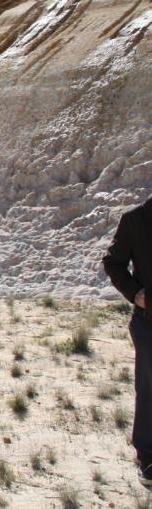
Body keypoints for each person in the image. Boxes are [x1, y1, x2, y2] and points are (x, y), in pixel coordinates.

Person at [103, 196, 152, 489]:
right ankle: (147, 456)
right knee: (149, 388)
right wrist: (135, 293)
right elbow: (113, 262)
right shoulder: (135, 220)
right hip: (148, 322)